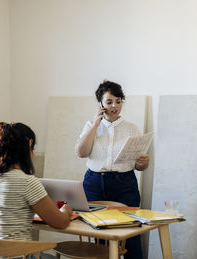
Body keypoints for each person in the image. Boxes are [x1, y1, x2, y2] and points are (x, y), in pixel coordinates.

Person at [75, 80, 149, 259]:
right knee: (100, 237)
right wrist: (95, 125)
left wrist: (143, 162)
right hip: (93, 183)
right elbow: (81, 152)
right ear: (101, 104)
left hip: (124, 184)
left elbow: (140, 166)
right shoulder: (90, 125)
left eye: (118, 101)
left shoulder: (132, 128)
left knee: (131, 234)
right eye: (109, 102)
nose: (114, 106)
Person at [0, 122, 73, 259]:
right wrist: (66, 210)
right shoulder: (27, 182)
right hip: (18, 255)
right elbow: (60, 223)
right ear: (29, 144)